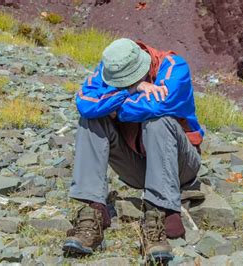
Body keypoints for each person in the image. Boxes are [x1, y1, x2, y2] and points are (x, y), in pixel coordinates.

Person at [62, 38, 204, 261]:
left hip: (180, 165)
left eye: (130, 79)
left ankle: (160, 213)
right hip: (139, 167)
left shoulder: (175, 67)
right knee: (90, 121)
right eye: (120, 82)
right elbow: (84, 103)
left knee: (159, 120)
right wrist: (130, 89)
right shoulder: (110, 68)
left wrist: (113, 108)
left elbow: (159, 105)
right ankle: (94, 212)